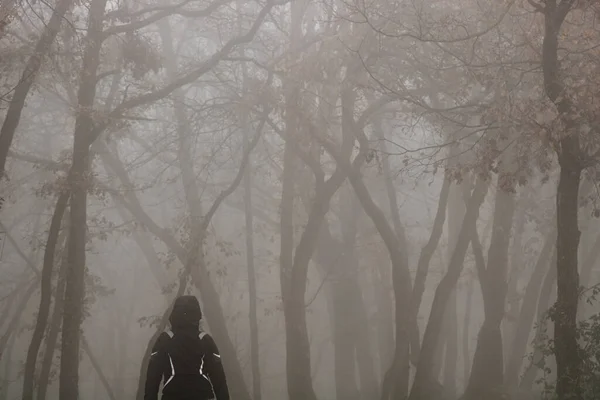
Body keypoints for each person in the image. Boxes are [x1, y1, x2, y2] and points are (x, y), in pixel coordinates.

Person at [144, 295, 230, 400]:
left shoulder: (165, 339)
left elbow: (152, 381)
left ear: (174, 314)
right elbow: (219, 381)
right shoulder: (205, 340)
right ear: (197, 315)